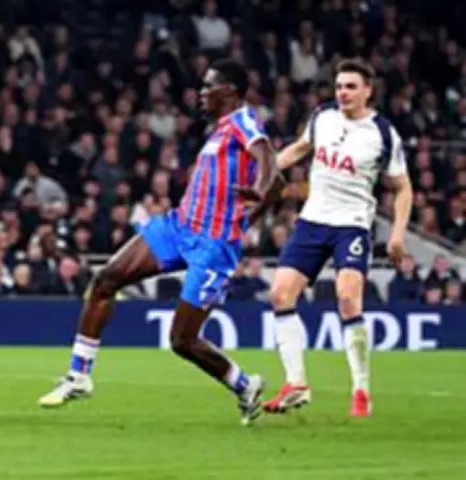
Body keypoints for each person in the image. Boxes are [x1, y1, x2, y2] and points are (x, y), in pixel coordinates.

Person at [38, 59, 282, 425]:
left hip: (213, 245)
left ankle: (244, 385)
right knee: (105, 279)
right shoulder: (218, 131)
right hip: (179, 226)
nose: (201, 93)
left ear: (229, 91)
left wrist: (248, 213)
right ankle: (79, 375)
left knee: (182, 341)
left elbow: (270, 166)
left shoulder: (243, 121)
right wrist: (252, 208)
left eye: (208, 86)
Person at [262, 59, 413, 417]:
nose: (342, 92)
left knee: (347, 298)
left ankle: (361, 390)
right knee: (280, 293)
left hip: (352, 225)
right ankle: (296, 383)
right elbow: (300, 148)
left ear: (367, 91)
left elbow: (403, 187)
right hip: (313, 220)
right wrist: (266, 171)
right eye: (339, 86)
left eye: (350, 86)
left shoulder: (382, 133)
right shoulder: (323, 117)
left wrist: (396, 235)